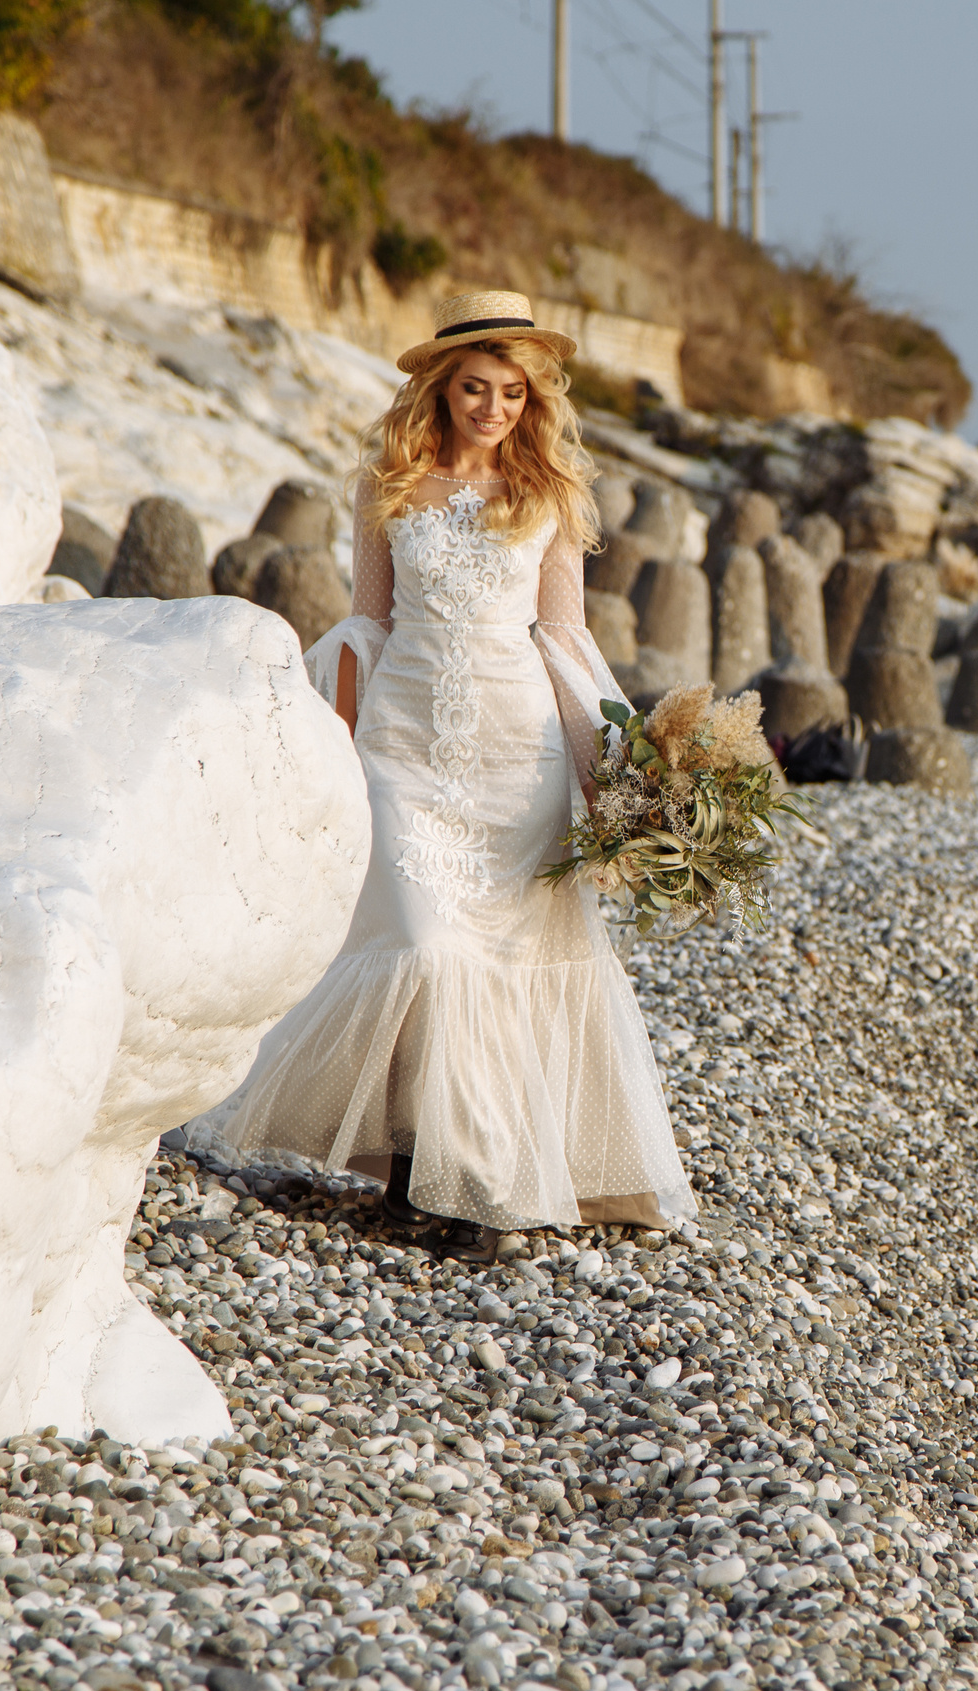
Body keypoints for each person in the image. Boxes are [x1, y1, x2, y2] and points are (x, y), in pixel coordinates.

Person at [224, 290, 695, 1247]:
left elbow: (564, 639)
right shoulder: (387, 485)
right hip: (403, 749)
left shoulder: (550, 495)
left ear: (532, 401)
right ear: (440, 390)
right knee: (425, 949)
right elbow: (367, 625)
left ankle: (425, 1182)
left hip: (517, 761)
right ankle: (453, 1174)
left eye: (513, 394)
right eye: (475, 388)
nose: (493, 408)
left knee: (499, 962)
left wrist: (611, 771)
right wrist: (341, 757)